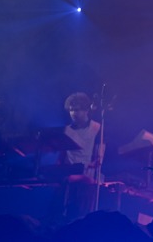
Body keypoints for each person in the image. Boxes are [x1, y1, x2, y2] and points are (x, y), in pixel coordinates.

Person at [58, 92, 103, 220]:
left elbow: (99, 157)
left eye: (77, 110)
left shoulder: (97, 128)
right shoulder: (66, 130)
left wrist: (89, 167)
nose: (73, 113)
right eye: (71, 110)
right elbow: (61, 155)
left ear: (86, 110)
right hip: (69, 177)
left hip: (88, 178)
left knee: (82, 215)